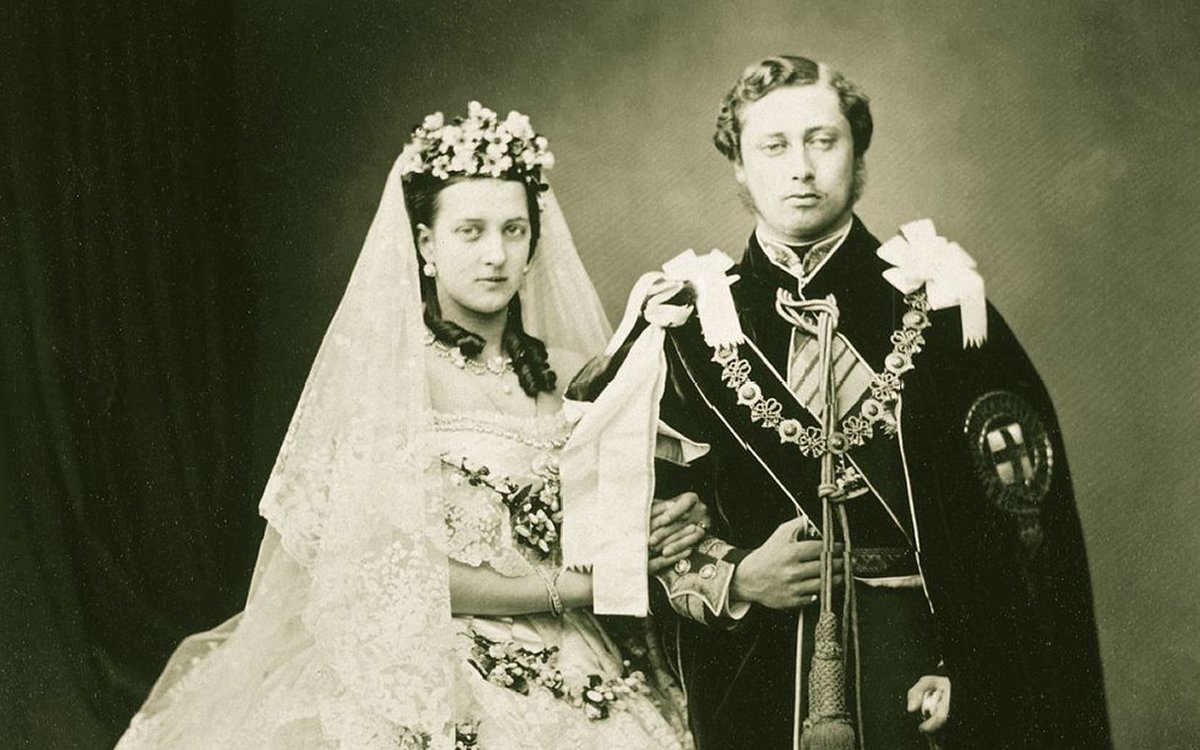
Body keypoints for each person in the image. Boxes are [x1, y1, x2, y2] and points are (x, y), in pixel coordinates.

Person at [115, 103, 702, 750]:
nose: (496, 255)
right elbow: (385, 565)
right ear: (425, 245)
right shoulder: (393, 381)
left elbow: (613, 513)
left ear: (535, 243)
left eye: (513, 231)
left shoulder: (575, 376)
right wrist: (572, 588)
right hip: (428, 650)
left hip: (579, 648)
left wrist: (653, 534)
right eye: (470, 232)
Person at [569, 56, 1111, 748]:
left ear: (857, 155)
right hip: (752, 680)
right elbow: (640, 526)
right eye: (774, 146)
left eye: (823, 140)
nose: (801, 168)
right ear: (739, 166)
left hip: (923, 680)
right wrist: (735, 577)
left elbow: (1022, 526)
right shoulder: (685, 328)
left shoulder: (943, 307)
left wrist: (973, 668)